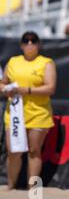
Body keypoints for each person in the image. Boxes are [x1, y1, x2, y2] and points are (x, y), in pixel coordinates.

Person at [0, 32, 56, 190]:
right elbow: (3, 83)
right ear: (21, 45)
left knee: (34, 150)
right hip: (15, 113)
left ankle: (32, 187)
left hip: (38, 112)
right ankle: (11, 185)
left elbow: (50, 88)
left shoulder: (46, 62)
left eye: (33, 41)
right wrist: (6, 89)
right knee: (13, 151)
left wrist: (27, 90)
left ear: (38, 44)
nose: (29, 44)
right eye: (26, 41)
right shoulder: (13, 61)